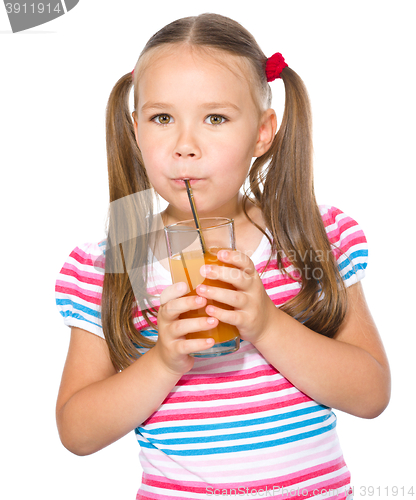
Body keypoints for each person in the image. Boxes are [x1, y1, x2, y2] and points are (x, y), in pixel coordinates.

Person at [55, 13, 390, 500]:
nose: (184, 146)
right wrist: (165, 361)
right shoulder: (116, 254)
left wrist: (268, 325)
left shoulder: (308, 233)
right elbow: (77, 431)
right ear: (135, 131)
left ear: (261, 132)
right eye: (162, 118)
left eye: (215, 118)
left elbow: (371, 394)